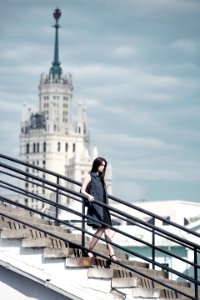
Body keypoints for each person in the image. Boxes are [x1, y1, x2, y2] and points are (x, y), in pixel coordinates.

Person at [81, 157, 117, 261]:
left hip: (104, 207)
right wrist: (88, 196)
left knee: (105, 230)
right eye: (101, 165)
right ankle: (110, 254)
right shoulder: (89, 176)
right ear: (96, 165)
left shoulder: (101, 178)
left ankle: (107, 253)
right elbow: (82, 190)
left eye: (104, 165)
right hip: (96, 207)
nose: (103, 167)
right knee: (103, 230)